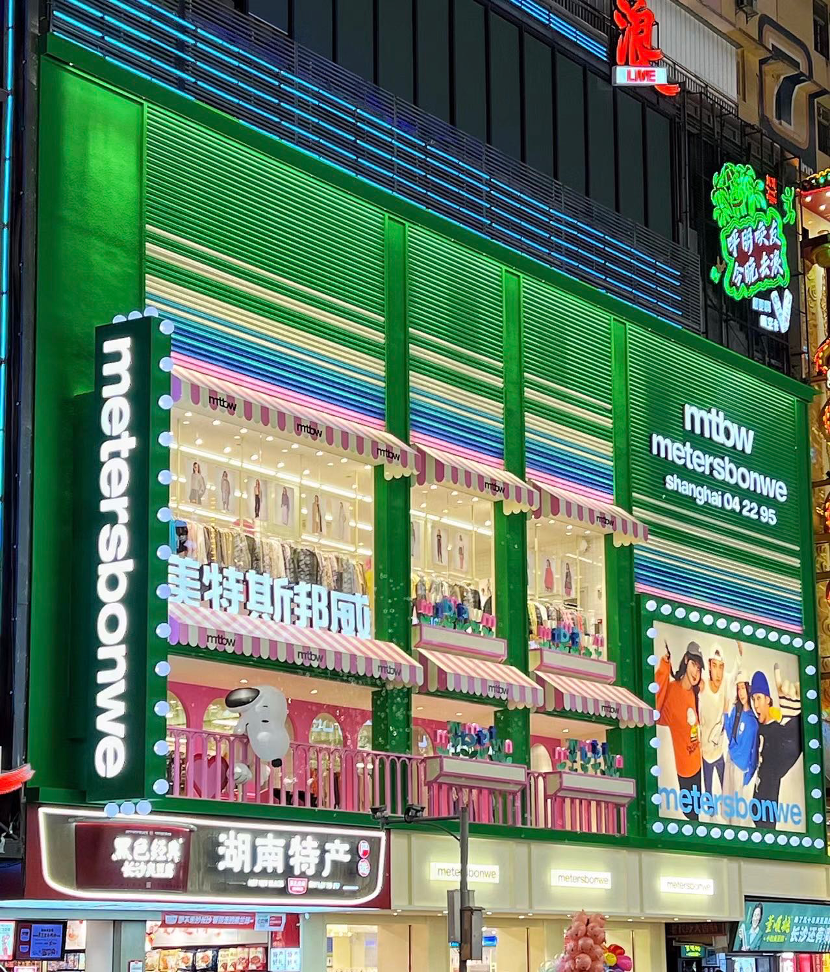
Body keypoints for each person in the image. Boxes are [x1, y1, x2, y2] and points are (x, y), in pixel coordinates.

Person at [655, 640, 704, 818]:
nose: (696, 672)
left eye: (699, 668)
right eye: (693, 665)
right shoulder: (672, 691)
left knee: (697, 815)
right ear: (685, 661)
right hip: (683, 768)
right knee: (689, 815)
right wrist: (664, 666)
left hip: (699, 765)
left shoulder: (696, 693)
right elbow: (655, 710)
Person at [751, 666, 802, 830]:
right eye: (753, 699)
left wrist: (795, 722)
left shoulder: (777, 731)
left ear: (768, 699)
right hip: (754, 808)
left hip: (766, 818)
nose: (756, 704)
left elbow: (791, 750)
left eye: (759, 698)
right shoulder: (758, 726)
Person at [722, 671, 759, 823]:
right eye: (738, 689)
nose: (741, 692)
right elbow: (730, 732)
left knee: (737, 808)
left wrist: (749, 772)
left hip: (741, 767)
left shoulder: (754, 721)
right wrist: (725, 714)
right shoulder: (736, 712)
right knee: (727, 800)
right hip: (730, 759)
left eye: (743, 688)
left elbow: (754, 750)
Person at [699, 646, 728, 796]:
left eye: (721, 667)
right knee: (708, 791)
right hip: (705, 755)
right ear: (709, 666)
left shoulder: (725, 688)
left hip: (719, 753)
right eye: (715, 666)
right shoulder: (702, 686)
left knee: (727, 789)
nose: (718, 672)